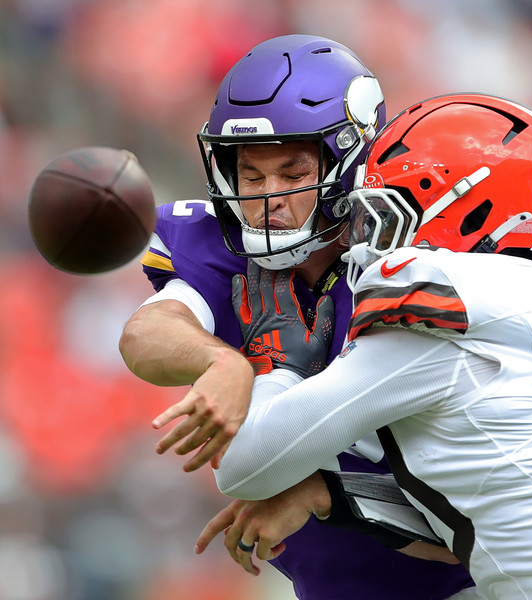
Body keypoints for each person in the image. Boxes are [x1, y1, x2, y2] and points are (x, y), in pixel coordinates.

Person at [169, 93, 532, 599]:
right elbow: (488, 505)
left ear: (467, 210)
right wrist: (330, 496)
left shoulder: (443, 310)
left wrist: (277, 363)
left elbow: (247, 466)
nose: (366, 237)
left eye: (385, 213)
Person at [119, 36, 477, 599]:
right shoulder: (225, 249)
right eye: (252, 176)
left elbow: (483, 522)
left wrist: (327, 495)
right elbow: (147, 333)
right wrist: (218, 361)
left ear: (349, 163)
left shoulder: (409, 270)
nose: (268, 200)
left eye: (291, 174)